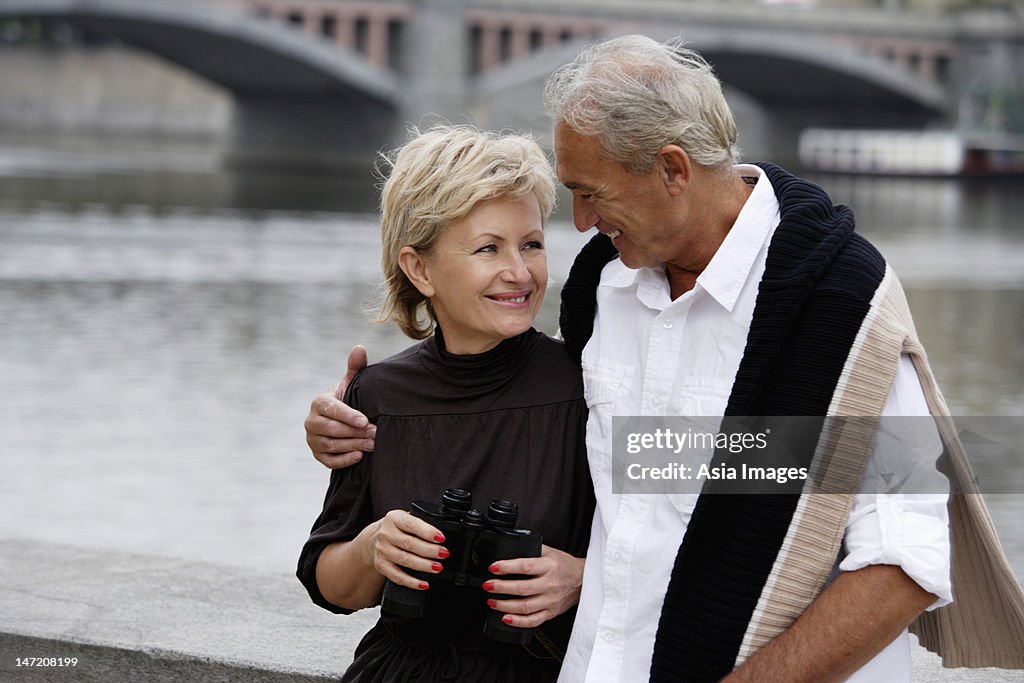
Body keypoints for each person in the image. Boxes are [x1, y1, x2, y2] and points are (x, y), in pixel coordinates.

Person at [304, 37, 1024, 682]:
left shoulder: (841, 304)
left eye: (591, 193)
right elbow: (669, 482)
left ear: (673, 170)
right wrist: (367, 419)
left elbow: (904, 564)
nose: (580, 222)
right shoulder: (604, 288)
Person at [297, 125, 595, 682]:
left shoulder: (591, 384)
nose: (521, 271)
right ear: (420, 269)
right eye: (489, 248)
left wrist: (586, 577)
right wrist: (372, 548)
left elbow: (704, 527)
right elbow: (329, 588)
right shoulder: (377, 396)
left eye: (531, 243)